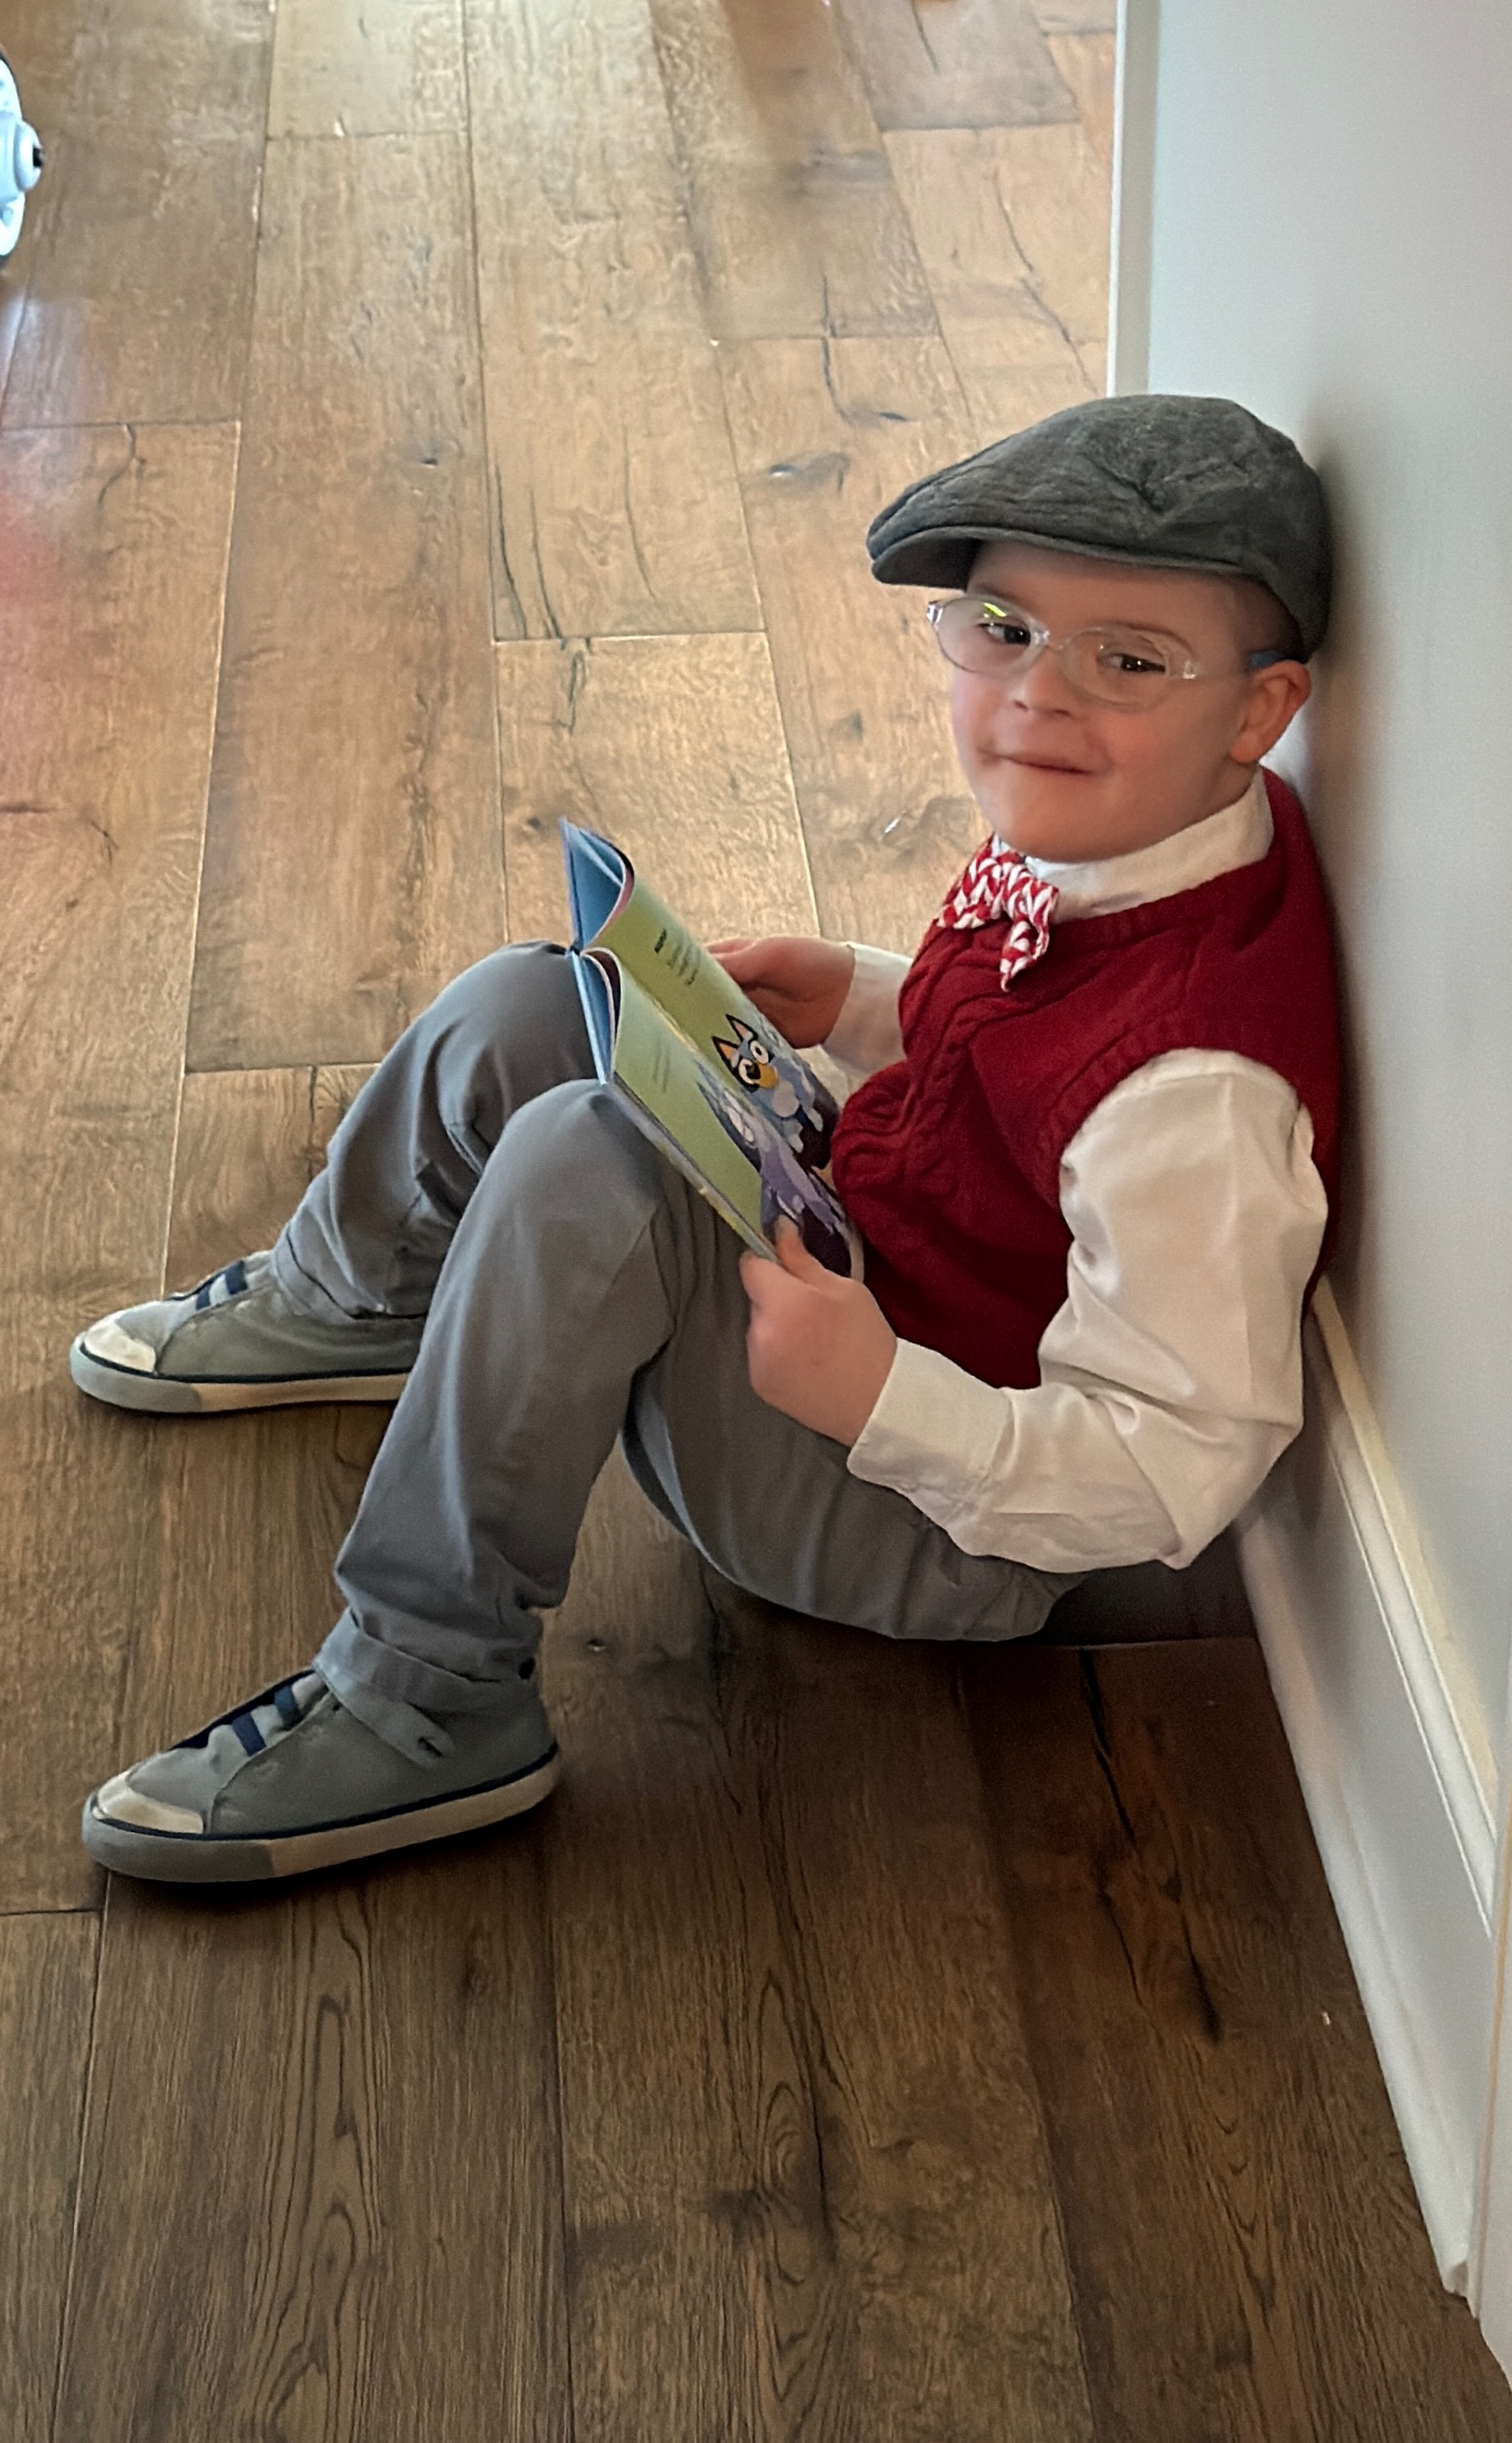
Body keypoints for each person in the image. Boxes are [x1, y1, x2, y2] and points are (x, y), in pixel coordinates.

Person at [71, 394, 1340, 1886]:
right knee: (543, 999)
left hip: (932, 1514)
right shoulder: (1125, 822)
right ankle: (359, 1295)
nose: (1034, 697)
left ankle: (425, 1695)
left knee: (584, 1164)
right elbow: (1021, 1055)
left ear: (1261, 713)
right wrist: (866, 996)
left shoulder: (1196, 1092)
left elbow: (1173, 1465)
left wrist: (876, 1392)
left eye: (1126, 657)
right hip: (873, 1257)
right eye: (1000, 626)